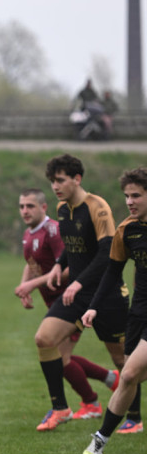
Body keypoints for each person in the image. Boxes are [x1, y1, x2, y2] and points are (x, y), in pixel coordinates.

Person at [32, 154, 141, 432]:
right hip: (78, 295)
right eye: (52, 181)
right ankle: (60, 408)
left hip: (107, 294)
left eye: (60, 180)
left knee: (123, 360)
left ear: (77, 179)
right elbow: (71, 247)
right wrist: (59, 266)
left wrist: (78, 282)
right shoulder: (62, 209)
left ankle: (134, 418)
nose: (55, 186)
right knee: (45, 339)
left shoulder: (97, 206)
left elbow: (107, 252)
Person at [13, 188, 118, 419]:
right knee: (58, 355)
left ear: (43, 207)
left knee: (60, 357)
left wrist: (32, 285)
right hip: (55, 303)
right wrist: (25, 286)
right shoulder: (29, 233)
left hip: (72, 300)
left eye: (30, 206)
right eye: (21, 206)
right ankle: (110, 379)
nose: (25, 211)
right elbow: (31, 262)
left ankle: (91, 401)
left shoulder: (53, 231)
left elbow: (71, 267)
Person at [82, 168, 147, 454]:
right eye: (127, 196)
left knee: (130, 371)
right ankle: (102, 440)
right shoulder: (127, 230)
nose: (130, 201)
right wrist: (94, 306)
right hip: (139, 312)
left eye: (137, 196)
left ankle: (99, 438)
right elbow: (112, 272)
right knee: (129, 378)